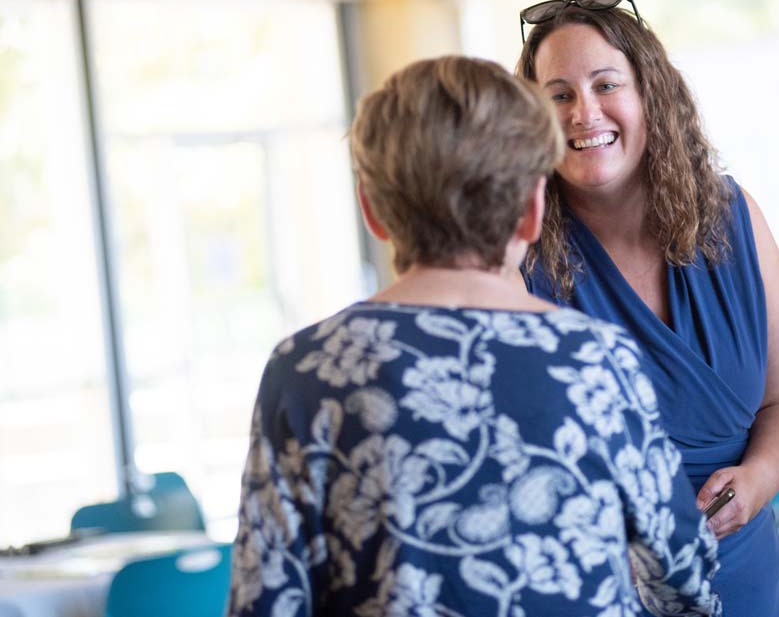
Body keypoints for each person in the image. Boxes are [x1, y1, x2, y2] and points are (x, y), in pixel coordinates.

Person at [226, 56, 722, 617]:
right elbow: (682, 575)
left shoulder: (304, 370)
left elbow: (267, 594)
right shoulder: (593, 358)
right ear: (533, 209)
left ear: (372, 210)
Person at [516, 0, 779, 617]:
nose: (583, 113)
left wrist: (758, 479)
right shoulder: (515, 258)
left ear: (650, 94)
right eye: (559, 95)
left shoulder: (734, 217)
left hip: (752, 597)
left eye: (605, 84)